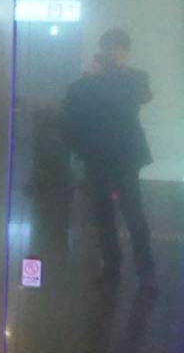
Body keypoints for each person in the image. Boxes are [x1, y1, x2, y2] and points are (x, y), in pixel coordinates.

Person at [61, 28, 157, 295]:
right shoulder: (89, 81)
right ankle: (111, 268)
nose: (113, 53)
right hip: (97, 157)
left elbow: (134, 99)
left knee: (133, 214)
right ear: (101, 50)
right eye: (108, 48)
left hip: (125, 157)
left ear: (126, 52)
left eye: (118, 49)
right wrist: (89, 78)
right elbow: (73, 106)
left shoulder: (137, 78)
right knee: (102, 215)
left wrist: (106, 75)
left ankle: (146, 272)